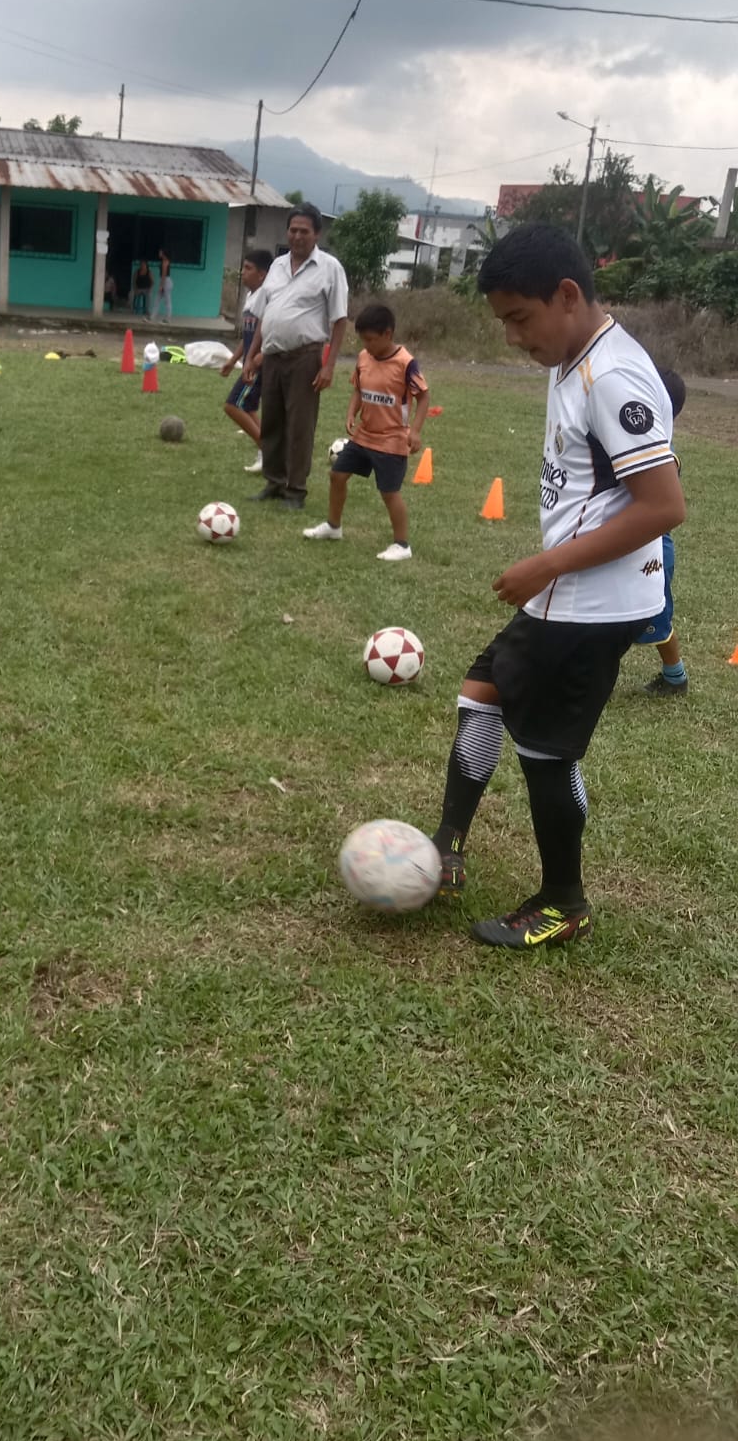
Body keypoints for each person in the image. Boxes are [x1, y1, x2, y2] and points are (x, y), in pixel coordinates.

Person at [430, 222, 684, 949]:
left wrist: (545, 564)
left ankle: (563, 901)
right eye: (503, 323)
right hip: (567, 595)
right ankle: (447, 844)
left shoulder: (612, 375)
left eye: (520, 318)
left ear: (567, 295)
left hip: (588, 603)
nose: (513, 338)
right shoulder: (575, 355)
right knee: (483, 691)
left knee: (546, 752)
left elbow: (664, 506)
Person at [243, 203, 348, 511]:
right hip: (272, 357)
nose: (297, 236)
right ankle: (274, 481)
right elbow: (264, 315)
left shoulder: (330, 268)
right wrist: (251, 356)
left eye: (304, 231)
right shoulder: (277, 266)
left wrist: (329, 366)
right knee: (272, 422)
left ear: (317, 234)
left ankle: (295, 490)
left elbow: (340, 320)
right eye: (293, 230)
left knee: (300, 426)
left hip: (306, 357)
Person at [304, 302, 428, 558]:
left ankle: (402, 545)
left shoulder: (406, 363)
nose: (367, 345)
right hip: (364, 435)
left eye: (371, 339)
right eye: (363, 340)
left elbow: (423, 397)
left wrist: (415, 431)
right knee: (337, 475)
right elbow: (358, 390)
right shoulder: (363, 358)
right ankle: (333, 526)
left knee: (389, 492)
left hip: (392, 439)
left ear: (388, 334)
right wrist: (352, 412)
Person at [634, 367, 688, 695]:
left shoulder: (663, 456)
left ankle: (675, 677)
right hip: (631, 546)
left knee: (657, 619)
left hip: (651, 551)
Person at [220, 248, 273, 473]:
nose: (243, 272)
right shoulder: (251, 297)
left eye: (248, 268)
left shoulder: (267, 296)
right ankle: (267, 452)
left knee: (232, 405)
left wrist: (259, 358)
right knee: (249, 407)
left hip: (259, 365)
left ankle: (270, 452)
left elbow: (270, 332)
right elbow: (249, 336)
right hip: (250, 362)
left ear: (262, 274)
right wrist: (233, 360)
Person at [150, 248, 173, 323]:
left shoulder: (165, 261)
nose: (159, 253)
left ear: (163, 253)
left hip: (166, 282)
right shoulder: (164, 261)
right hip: (164, 281)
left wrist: (161, 286)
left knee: (167, 301)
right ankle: (152, 317)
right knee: (157, 300)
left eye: (160, 252)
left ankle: (168, 319)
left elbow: (164, 275)